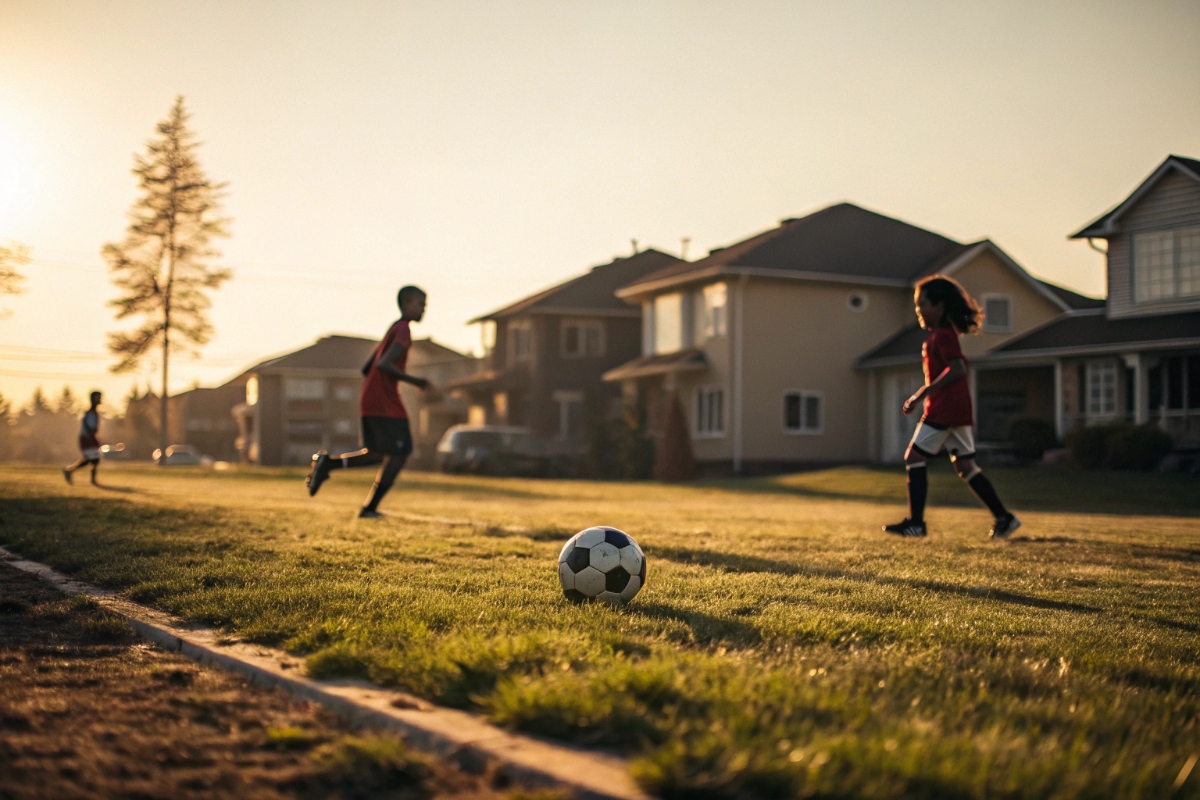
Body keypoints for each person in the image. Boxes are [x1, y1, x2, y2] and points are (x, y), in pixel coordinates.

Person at [883, 275, 1021, 539]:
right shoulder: (941, 335)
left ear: (940, 306)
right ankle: (1005, 518)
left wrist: (921, 394)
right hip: (959, 409)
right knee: (966, 466)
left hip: (945, 408)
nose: (918, 310)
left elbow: (958, 367)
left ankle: (916, 524)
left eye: (922, 304)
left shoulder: (943, 336)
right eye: (916, 305)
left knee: (914, 458)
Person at [305, 285, 433, 517]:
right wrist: (417, 381)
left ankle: (329, 464)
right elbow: (383, 364)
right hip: (385, 403)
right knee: (400, 452)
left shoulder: (394, 328)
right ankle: (369, 509)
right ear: (406, 303)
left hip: (372, 399)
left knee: (376, 453)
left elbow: (368, 367)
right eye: (420, 304)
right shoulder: (403, 330)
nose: (423, 309)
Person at [64, 391, 103, 486]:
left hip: (90, 438)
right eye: (98, 397)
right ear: (93, 399)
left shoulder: (93, 413)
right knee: (91, 458)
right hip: (87, 439)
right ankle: (69, 470)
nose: (100, 399)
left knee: (93, 459)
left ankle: (71, 471)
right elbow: (91, 429)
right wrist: (94, 439)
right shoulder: (90, 414)